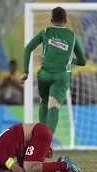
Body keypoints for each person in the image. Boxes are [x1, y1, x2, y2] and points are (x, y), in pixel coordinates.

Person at [20, 7, 86, 157]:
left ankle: (39, 141)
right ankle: (46, 144)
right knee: (54, 106)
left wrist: (25, 71)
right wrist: (71, 60)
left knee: (44, 102)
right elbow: (82, 61)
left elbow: (27, 49)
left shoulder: (45, 32)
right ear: (66, 20)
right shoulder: (72, 36)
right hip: (61, 76)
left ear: (51, 20)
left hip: (43, 75)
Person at [0, 123, 81, 172]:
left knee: (28, 168)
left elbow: (19, 171)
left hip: (39, 133)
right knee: (29, 167)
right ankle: (60, 162)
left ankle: (65, 164)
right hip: (31, 138)